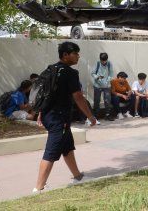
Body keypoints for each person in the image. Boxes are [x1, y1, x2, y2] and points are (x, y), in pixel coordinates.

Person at [34, 41, 97, 193]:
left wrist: (41, 113)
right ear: (65, 55)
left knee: (67, 146)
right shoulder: (70, 73)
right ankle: (38, 188)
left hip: (51, 115)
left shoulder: (52, 69)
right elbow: (78, 97)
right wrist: (90, 116)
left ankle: (78, 177)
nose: (78, 56)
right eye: (75, 53)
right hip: (58, 119)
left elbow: (47, 95)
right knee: (52, 150)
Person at [90, 52, 114, 120]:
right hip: (97, 85)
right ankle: (96, 115)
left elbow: (111, 74)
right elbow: (93, 73)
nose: (103, 62)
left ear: (107, 59)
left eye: (105, 60)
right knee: (97, 100)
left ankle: (108, 115)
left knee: (107, 100)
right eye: (102, 60)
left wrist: (107, 81)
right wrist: (97, 77)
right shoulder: (97, 63)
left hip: (107, 85)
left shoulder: (109, 64)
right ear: (100, 59)